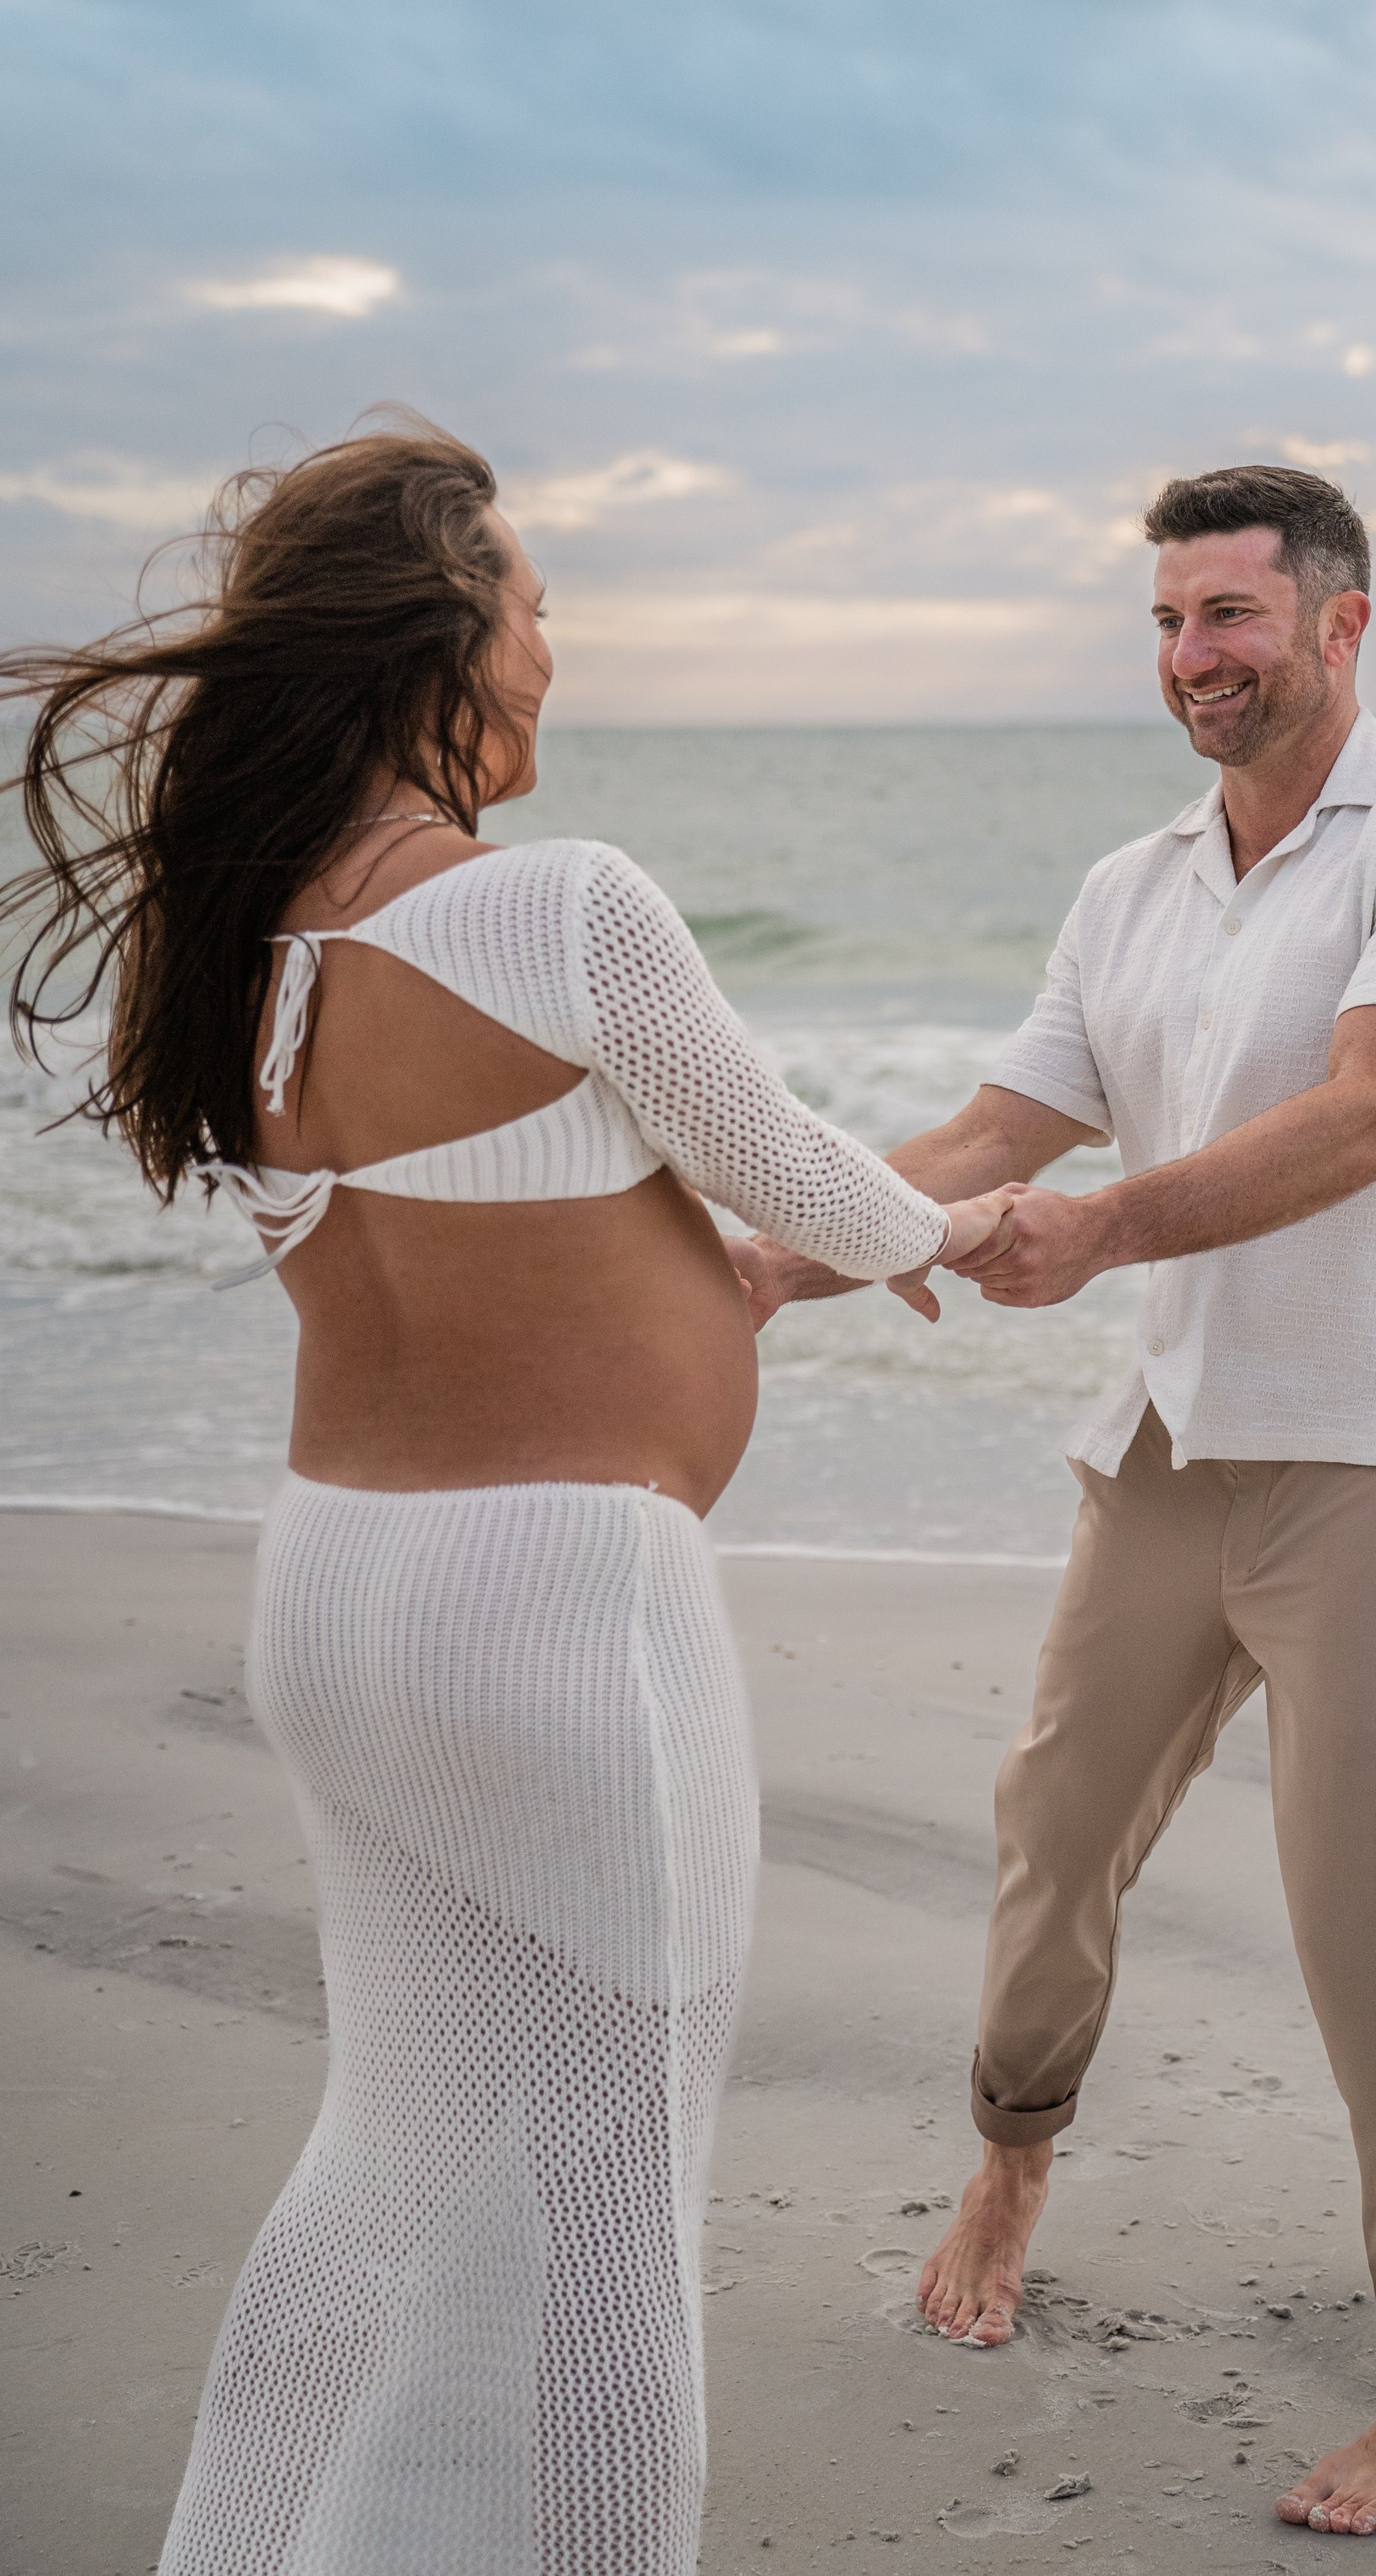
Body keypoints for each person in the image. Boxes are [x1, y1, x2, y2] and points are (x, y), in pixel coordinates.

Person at [0, 420, 1016, 2576]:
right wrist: (967, 1226)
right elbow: (797, 1170)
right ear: (442, 635)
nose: (558, 647)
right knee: (609, 2194)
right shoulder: (559, 906)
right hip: (557, 1614)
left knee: (391, 2142)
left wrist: (749, 1256)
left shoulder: (236, 944)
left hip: (339, 1590)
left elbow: (522, 1220)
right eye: (538, 604)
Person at [734, 462, 1376, 2540]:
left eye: (1231, 616)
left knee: (1357, 1924)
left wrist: (1099, 1232)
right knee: (1051, 1835)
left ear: (1340, 625)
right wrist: (765, 1259)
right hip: (1167, 1452)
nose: (1193, 656)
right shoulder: (1133, 886)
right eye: (1171, 621)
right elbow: (993, 1131)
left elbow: (1372, 1114)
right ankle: (1010, 2166)